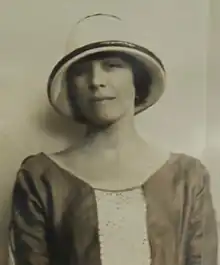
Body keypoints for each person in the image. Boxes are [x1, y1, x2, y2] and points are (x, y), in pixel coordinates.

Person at [8, 13, 218, 265]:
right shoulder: (41, 177)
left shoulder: (188, 177)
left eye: (112, 65)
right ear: (72, 89)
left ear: (136, 79)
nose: (96, 81)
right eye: (82, 72)